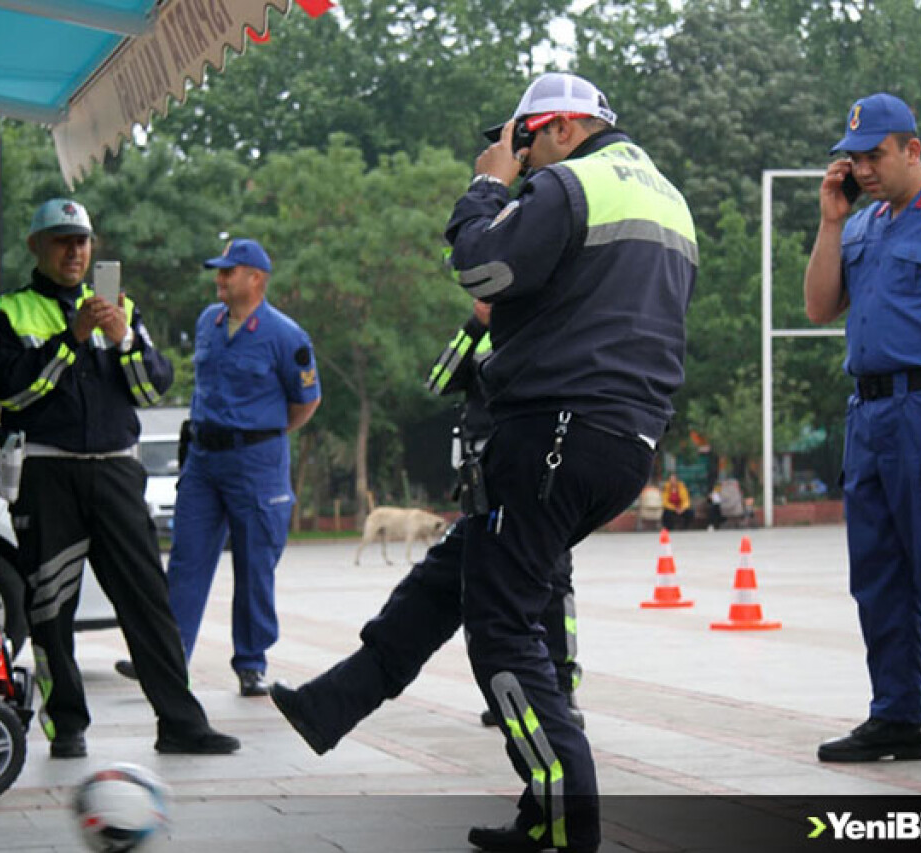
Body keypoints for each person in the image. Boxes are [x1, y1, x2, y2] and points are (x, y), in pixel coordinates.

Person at [272, 72, 697, 853]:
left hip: (555, 429)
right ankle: (337, 701)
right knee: (454, 575)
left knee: (501, 630)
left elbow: (482, 268)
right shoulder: (664, 195)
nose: (521, 159)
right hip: (620, 436)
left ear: (564, 125)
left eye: (525, 140)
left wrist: (484, 187)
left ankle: (569, 813)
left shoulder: (574, 183)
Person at [0, 198, 239, 759]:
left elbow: (153, 389)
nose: (74, 252)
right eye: (61, 241)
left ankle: (181, 724)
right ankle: (65, 725)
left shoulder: (119, 308)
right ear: (36, 247)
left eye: (83, 241)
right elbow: (11, 390)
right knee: (50, 609)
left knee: (149, 603)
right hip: (47, 474)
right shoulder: (10, 310)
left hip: (118, 472)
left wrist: (123, 339)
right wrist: (71, 338)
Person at [804, 93, 921, 771]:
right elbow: (820, 305)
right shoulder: (863, 226)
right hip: (870, 411)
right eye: (852, 157)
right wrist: (832, 224)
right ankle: (896, 716)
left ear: (912, 148)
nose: (861, 168)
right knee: (878, 573)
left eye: (874, 154)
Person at [155, 238, 321, 698]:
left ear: (256, 279)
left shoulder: (286, 336)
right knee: (186, 558)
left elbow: (306, 401)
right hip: (204, 459)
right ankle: (169, 656)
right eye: (219, 271)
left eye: (229, 272)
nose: (220, 279)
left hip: (256, 460)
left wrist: (261, 434)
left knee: (254, 562)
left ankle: (251, 663)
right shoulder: (207, 324)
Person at [426, 299, 584, 730]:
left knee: (553, 586)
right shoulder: (478, 335)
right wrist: (473, 325)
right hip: (486, 481)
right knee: (488, 590)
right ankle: (504, 692)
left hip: (541, 475)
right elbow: (438, 381)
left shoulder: (547, 322)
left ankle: (562, 689)